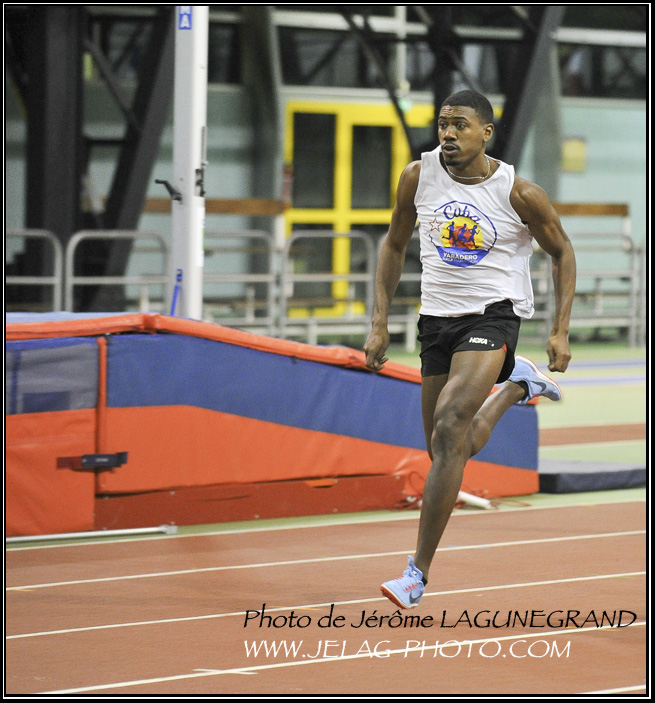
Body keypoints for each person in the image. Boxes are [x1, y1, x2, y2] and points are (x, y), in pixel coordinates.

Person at [363, 90, 576, 609]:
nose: (448, 134)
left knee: (450, 422)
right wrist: (378, 323)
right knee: (446, 449)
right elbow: (394, 244)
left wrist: (560, 329)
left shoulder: (519, 193)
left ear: (486, 132)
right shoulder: (418, 176)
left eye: (460, 124)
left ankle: (416, 573)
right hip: (436, 320)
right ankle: (518, 387)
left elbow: (562, 251)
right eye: (443, 124)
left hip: (492, 315)